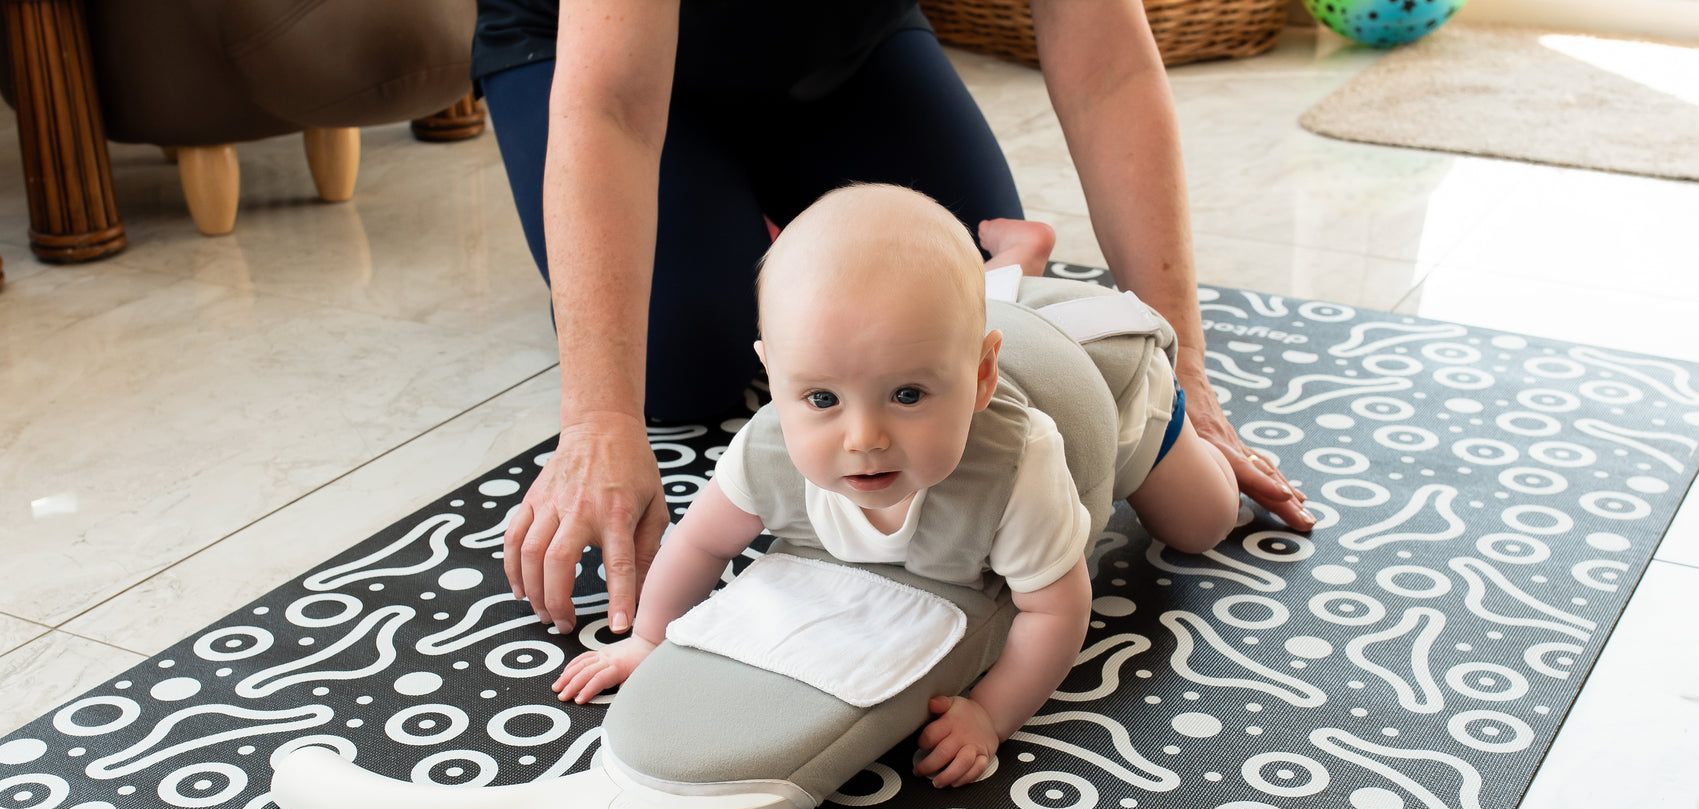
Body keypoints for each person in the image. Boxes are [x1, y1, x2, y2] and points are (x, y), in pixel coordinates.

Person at [475, 0, 1312, 641]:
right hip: (585, 55)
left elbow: (1110, 73)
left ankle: (879, 244)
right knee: (683, 370)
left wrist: (1182, 371)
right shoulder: (761, 464)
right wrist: (597, 420)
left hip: (843, 49)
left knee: (944, 290)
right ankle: (746, 229)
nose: (867, 438)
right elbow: (614, 107)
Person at [552, 185, 1240, 788]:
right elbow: (698, 544)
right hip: (983, 337)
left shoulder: (1015, 465)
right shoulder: (768, 448)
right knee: (942, 323)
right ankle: (1013, 267)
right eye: (821, 398)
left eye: (907, 395)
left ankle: (1066, 321)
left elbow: (1056, 612)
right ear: (774, 375)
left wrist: (990, 715)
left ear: (980, 379)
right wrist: (649, 639)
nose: (864, 438)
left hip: (1099, 379)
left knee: (1202, 522)